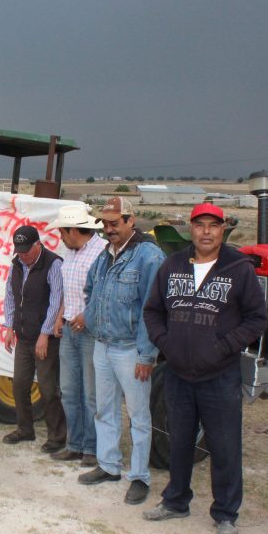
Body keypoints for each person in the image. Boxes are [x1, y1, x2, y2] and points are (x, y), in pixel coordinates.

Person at [142, 202, 267, 534]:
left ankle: (225, 513)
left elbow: (257, 319)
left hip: (219, 375)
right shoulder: (172, 265)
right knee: (179, 441)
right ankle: (175, 501)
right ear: (191, 229)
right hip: (178, 372)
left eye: (213, 225)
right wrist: (165, 342)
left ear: (223, 229)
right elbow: (153, 311)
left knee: (225, 447)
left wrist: (223, 347)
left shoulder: (239, 269)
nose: (206, 232)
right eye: (200, 225)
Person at [76, 197, 164, 505]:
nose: (109, 229)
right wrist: (91, 317)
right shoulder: (105, 254)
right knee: (105, 409)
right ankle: (108, 465)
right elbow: (91, 289)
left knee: (138, 416)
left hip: (130, 350)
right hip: (103, 345)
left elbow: (154, 309)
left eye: (115, 223)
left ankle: (139, 477)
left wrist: (146, 354)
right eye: (105, 224)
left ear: (131, 221)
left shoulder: (149, 257)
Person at [48, 203, 105, 467]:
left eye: (61, 232)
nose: (59, 237)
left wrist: (86, 315)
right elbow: (68, 289)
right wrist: (60, 315)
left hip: (91, 331)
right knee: (70, 391)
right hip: (70, 328)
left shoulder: (102, 252)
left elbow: (104, 293)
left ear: (72, 230)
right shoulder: (69, 252)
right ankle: (75, 444)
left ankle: (92, 448)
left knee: (91, 393)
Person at [1, 224, 67, 452]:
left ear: (38, 244)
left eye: (27, 251)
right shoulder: (16, 265)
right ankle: (25, 429)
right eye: (19, 251)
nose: (23, 255)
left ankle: (57, 437)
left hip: (45, 339)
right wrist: (9, 327)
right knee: (19, 385)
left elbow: (56, 301)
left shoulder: (53, 264)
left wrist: (44, 334)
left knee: (49, 389)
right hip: (24, 336)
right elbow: (10, 296)